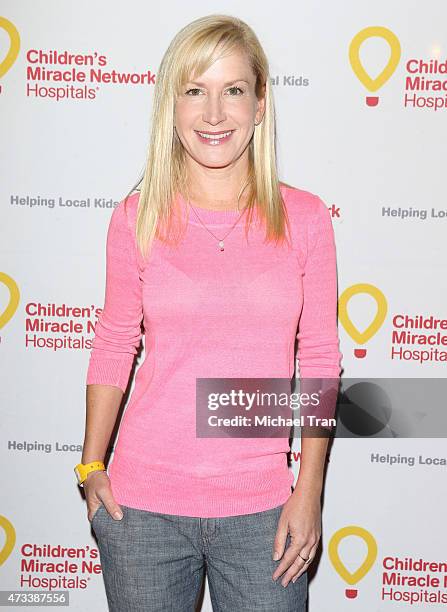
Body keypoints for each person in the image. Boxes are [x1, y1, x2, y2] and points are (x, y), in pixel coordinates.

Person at [75, 13, 343, 612]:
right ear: (172, 105)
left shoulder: (305, 219)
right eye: (195, 91)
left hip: (265, 512)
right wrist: (91, 465)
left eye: (233, 90)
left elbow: (320, 360)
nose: (214, 113)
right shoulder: (136, 216)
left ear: (261, 102)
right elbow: (115, 342)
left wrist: (309, 492)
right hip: (140, 510)